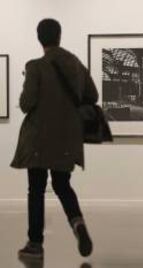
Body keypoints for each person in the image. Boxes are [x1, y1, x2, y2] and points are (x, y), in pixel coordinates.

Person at [11, 18, 98, 259]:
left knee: (36, 189)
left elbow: (27, 103)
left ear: (39, 38)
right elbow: (93, 94)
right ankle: (77, 223)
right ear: (59, 36)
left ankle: (35, 243)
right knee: (62, 185)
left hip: (39, 138)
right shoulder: (76, 64)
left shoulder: (35, 66)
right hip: (67, 138)